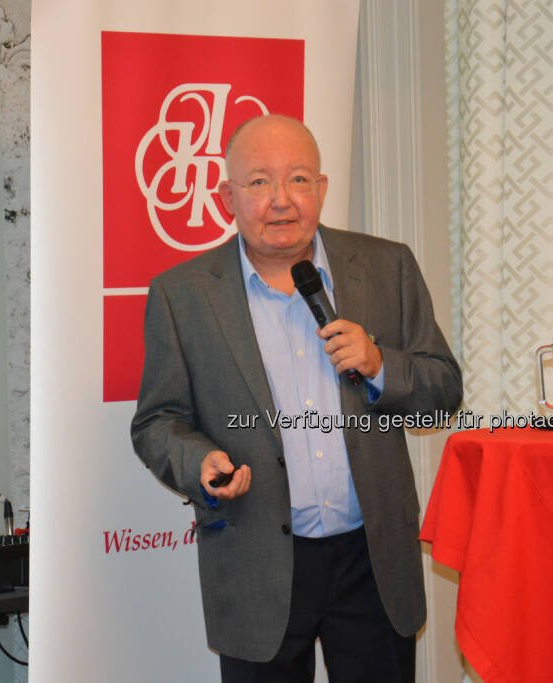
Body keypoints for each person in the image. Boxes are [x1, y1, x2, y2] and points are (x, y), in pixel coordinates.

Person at [130, 114, 462, 682]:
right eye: (259, 182)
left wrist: (382, 364)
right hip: (257, 561)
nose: (281, 200)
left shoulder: (387, 267)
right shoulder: (181, 295)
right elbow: (158, 420)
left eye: (299, 180)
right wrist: (198, 460)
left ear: (322, 189)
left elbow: (442, 395)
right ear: (226, 195)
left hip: (373, 560)